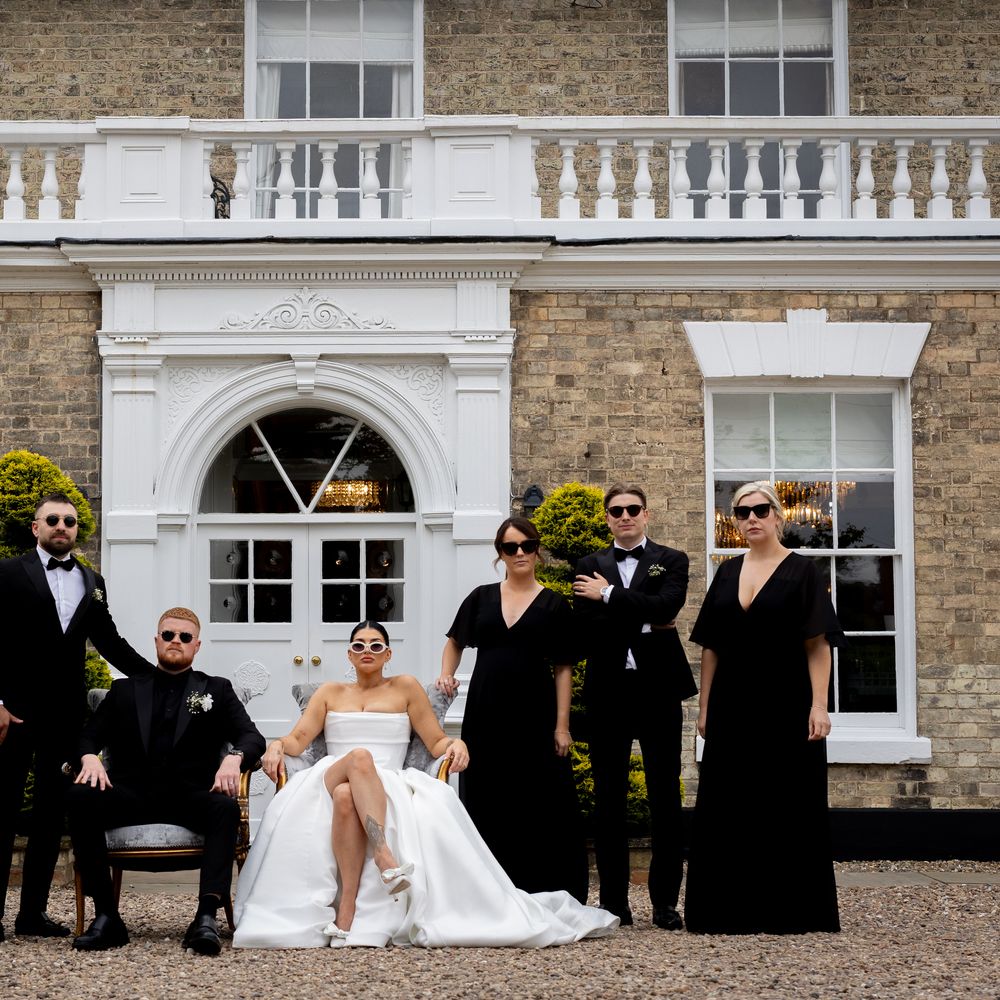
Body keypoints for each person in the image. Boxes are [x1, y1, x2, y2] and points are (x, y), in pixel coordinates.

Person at [233, 621, 617, 948]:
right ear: (349, 654)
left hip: (384, 783)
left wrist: (456, 744)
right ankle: (385, 856)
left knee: (349, 796)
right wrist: (277, 746)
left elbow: (435, 741)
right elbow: (298, 739)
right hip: (330, 775)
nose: (367, 651)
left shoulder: (405, 687)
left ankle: (347, 907)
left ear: (387, 654)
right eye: (359, 645)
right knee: (359, 759)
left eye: (376, 645)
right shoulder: (330, 692)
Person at [684, 481, 842, 934]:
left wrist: (819, 705)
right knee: (729, 804)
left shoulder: (803, 571)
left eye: (759, 510)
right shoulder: (727, 572)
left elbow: (818, 644)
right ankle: (726, 911)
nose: (751, 518)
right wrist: (704, 708)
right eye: (741, 512)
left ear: (777, 515)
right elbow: (711, 646)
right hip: (732, 703)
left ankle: (788, 911)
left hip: (786, 702)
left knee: (786, 804)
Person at [0, 492, 153, 942]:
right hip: (14, 713)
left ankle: (32, 915)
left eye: (69, 521)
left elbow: (110, 641)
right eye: (52, 520)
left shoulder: (92, 580)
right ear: (36, 527)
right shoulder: (8, 572)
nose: (61, 526)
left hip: (65, 718)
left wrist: (159, 678)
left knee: (50, 818)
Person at [68, 607, 265, 954]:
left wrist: (234, 758)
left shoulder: (216, 689)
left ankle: (205, 918)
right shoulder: (125, 690)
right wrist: (88, 757)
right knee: (80, 796)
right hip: (131, 794)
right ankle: (107, 916)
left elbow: (252, 738)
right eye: (168, 635)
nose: (176, 641)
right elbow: (87, 737)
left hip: (189, 796)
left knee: (224, 808)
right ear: (157, 641)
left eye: (185, 637)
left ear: (196, 645)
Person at [436, 516, 589, 903]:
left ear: (537, 551)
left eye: (526, 545)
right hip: (486, 710)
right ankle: (488, 890)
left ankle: (537, 886)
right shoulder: (481, 597)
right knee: (487, 793)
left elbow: (564, 668)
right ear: (500, 554)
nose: (519, 553)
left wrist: (562, 726)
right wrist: (446, 674)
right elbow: (455, 642)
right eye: (510, 547)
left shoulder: (554, 604)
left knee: (536, 797)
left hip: (535, 712)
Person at [573, 484, 697, 930]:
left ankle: (665, 904)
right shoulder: (588, 564)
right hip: (608, 690)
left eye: (632, 509)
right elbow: (587, 626)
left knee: (665, 795)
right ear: (607, 518)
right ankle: (614, 904)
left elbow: (669, 606)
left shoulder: (672, 559)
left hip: (659, 689)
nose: (624, 516)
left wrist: (608, 595)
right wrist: (647, 617)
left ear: (646, 514)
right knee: (609, 799)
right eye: (616, 510)